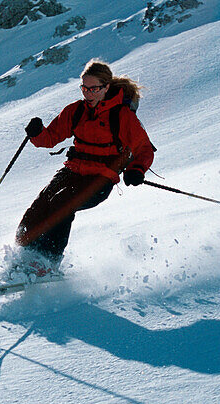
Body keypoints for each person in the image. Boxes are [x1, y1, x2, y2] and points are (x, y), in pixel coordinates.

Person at [12, 59, 155, 278]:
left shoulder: (122, 116)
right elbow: (50, 138)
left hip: (100, 178)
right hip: (72, 171)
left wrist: (137, 169)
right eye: (84, 88)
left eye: (94, 89)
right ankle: (23, 259)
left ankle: (48, 263)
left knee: (62, 204)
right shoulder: (76, 111)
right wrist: (37, 132)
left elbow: (144, 149)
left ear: (106, 87)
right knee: (37, 210)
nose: (88, 93)